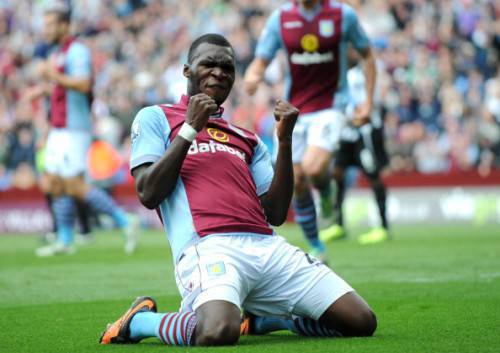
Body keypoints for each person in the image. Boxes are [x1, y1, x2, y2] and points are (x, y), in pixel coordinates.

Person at [99, 33, 376, 347]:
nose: (219, 72)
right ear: (187, 70)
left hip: (267, 247)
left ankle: (268, 319)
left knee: (360, 321)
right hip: (208, 245)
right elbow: (148, 193)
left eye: (227, 68)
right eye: (209, 64)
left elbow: (275, 213)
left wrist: (284, 142)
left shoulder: (246, 138)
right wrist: (190, 129)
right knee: (217, 332)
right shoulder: (156, 118)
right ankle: (139, 322)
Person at [243, 0, 377, 260]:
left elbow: (367, 55)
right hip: (295, 110)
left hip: (331, 106)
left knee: (314, 168)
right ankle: (317, 245)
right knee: (298, 180)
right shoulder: (280, 19)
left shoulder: (342, 15)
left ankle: (327, 194)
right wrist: (253, 76)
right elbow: (260, 61)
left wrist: (368, 102)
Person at [32, 4, 138, 257]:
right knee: (53, 181)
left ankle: (124, 219)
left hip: (74, 128)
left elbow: (83, 83)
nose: (45, 30)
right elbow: (65, 88)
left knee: (73, 184)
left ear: (64, 25)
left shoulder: (77, 51)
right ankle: (65, 239)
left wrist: (52, 77)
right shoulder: (58, 52)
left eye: (50, 25)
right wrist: (46, 90)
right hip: (59, 127)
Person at [321, 61, 389, 244]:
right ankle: (338, 225)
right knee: (337, 174)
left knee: (373, 175)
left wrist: (361, 114)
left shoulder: (366, 71)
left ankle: (382, 226)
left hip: (365, 131)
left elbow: (373, 98)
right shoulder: (339, 72)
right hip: (346, 132)